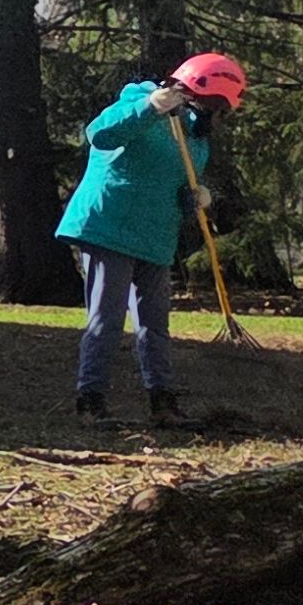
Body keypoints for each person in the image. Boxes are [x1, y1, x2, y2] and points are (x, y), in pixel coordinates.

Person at [56, 50, 245, 425]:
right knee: (106, 319)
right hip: (110, 227)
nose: (216, 113)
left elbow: (177, 183)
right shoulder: (138, 100)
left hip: (155, 239)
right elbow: (100, 135)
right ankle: (89, 401)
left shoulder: (195, 138)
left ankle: (163, 403)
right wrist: (149, 107)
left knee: (155, 325)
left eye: (220, 108)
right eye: (213, 103)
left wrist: (194, 198)